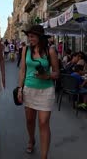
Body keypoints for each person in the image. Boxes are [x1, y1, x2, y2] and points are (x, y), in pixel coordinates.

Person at [17, 25, 60, 158]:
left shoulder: (50, 51)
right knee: (30, 120)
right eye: (29, 36)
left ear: (40, 37)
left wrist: (47, 76)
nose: (30, 39)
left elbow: (57, 73)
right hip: (29, 89)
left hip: (46, 90)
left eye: (33, 36)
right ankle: (31, 139)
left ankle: (44, 156)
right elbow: (22, 70)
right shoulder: (25, 50)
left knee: (43, 122)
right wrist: (20, 88)